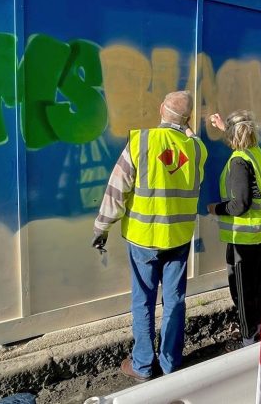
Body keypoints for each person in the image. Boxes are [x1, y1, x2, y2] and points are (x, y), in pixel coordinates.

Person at [92, 90, 207, 381]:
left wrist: (101, 227)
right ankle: (170, 362)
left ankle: (143, 364)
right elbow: (192, 140)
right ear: (189, 119)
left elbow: (116, 190)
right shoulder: (196, 149)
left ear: (160, 110)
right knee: (175, 300)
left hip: (143, 239)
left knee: (143, 300)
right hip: (178, 238)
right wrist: (188, 127)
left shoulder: (140, 141)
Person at [205, 110, 261, 347]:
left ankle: (247, 339)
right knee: (256, 286)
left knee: (242, 292)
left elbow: (239, 204)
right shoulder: (255, 152)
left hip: (244, 238)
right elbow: (239, 136)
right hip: (260, 235)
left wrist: (215, 209)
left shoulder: (239, 162)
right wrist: (226, 127)